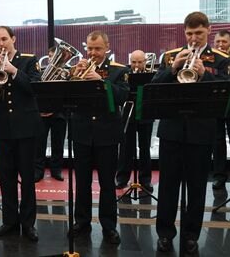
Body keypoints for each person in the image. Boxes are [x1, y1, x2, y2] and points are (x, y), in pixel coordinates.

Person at [152, 11, 230, 254]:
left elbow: (226, 92)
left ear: (208, 30)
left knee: (197, 187)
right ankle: (165, 234)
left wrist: (205, 74)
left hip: (201, 132)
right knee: (167, 186)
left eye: (198, 33)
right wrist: (173, 69)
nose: (194, 38)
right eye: (189, 33)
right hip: (171, 131)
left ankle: (191, 235)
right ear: (184, 33)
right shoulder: (170, 56)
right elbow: (155, 88)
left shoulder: (220, 58)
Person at [68, 30, 129, 245]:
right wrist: (74, 76)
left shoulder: (118, 71)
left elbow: (123, 96)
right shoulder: (78, 69)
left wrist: (101, 83)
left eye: (98, 49)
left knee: (106, 182)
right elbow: (67, 95)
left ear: (107, 48)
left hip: (107, 134)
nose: (93, 53)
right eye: (90, 48)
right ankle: (82, 222)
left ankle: (109, 225)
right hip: (82, 132)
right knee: (82, 181)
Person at [0, 26, 41, 242]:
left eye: (4, 39)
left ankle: (28, 223)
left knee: (27, 178)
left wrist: (13, 71)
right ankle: (10, 221)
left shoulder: (28, 60)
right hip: (4, 128)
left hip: (26, 128)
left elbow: (34, 87)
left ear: (13, 39)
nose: (0, 44)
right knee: (6, 178)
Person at [115, 50, 154, 192]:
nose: (136, 65)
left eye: (140, 62)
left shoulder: (151, 75)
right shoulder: (124, 74)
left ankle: (145, 180)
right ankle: (122, 178)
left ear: (145, 62)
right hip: (128, 114)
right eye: (133, 62)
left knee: (145, 149)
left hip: (145, 114)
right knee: (125, 148)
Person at [35, 47, 66, 183]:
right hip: (42, 113)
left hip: (59, 113)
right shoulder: (40, 72)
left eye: (53, 56)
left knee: (58, 143)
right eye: (49, 55)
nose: (50, 58)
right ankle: (38, 170)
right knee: (39, 144)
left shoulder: (65, 73)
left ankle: (56, 170)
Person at [212, 30, 230, 190]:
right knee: (217, 142)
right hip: (215, 106)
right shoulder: (210, 60)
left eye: (224, 42)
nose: (220, 45)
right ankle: (219, 176)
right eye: (218, 42)